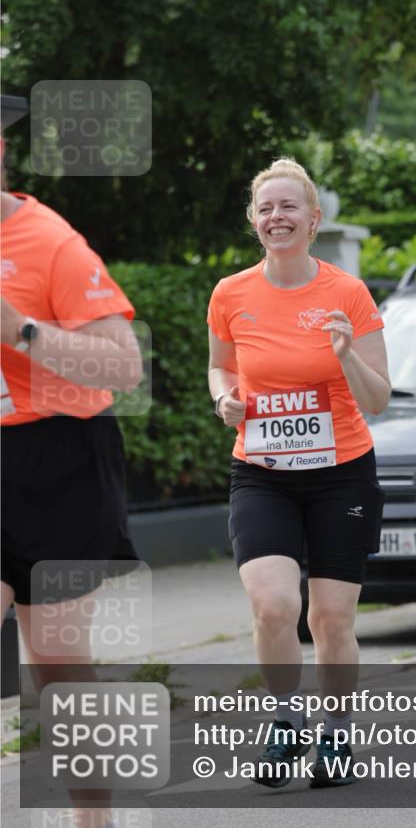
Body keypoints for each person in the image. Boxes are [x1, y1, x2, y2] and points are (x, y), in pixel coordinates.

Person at [207, 157, 391, 789]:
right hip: (262, 473)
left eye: (289, 207)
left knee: (331, 619)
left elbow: (378, 400)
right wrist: (223, 399)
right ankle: (286, 723)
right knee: (273, 604)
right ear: (254, 222)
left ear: (314, 220)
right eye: (265, 208)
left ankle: (336, 736)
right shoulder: (230, 293)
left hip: (342, 472)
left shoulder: (347, 293)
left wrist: (344, 356)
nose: (276, 217)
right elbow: (219, 368)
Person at [0, 155, 143, 828]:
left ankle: (95, 821)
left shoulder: (49, 240)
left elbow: (123, 365)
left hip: (59, 459)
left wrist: (20, 331)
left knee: (57, 664)